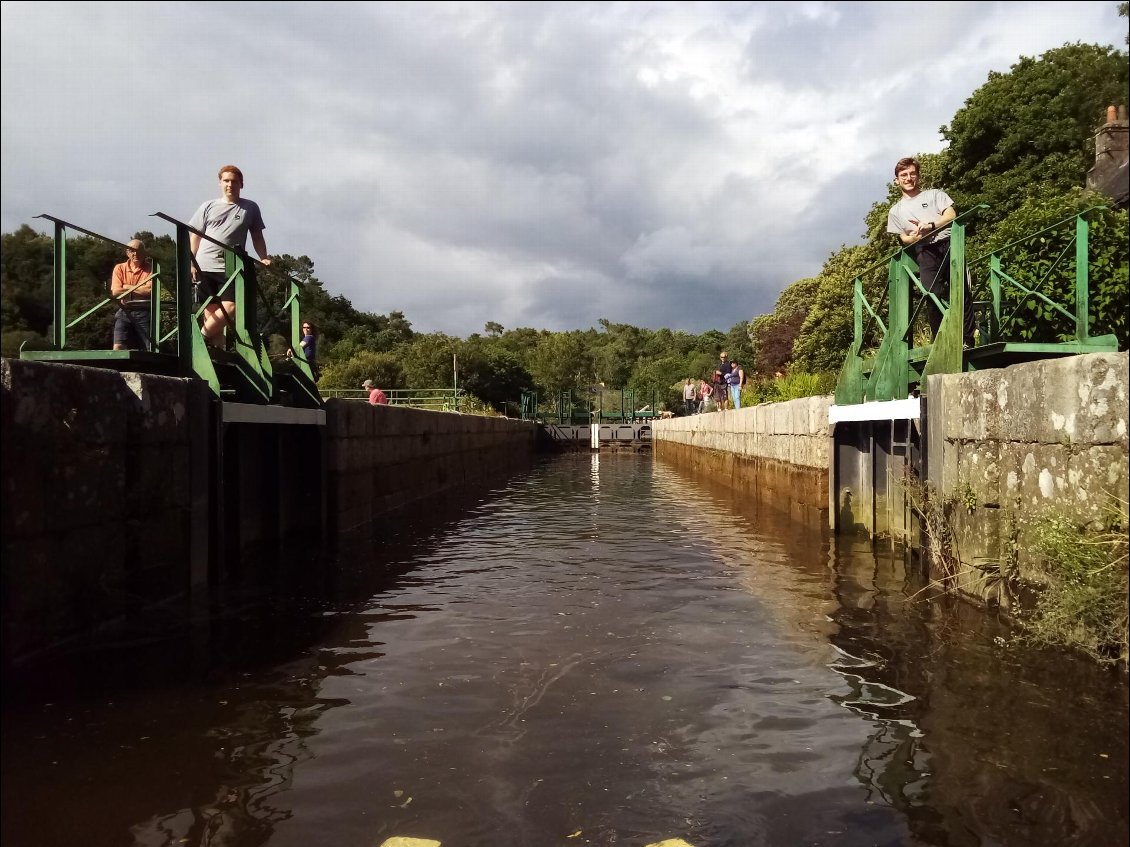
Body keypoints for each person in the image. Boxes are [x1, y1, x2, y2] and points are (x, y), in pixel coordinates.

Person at [886, 157, 975, 347]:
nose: (908, 178)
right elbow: (903, 238)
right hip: (925, 250)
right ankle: (941, 342)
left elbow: (951, 215)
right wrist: (915, 237)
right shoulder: (895, 211)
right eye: (904, 175)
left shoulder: (935, 194)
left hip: (950, 242)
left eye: (912, 174)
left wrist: (931, 225)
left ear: (918, 176)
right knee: (931, 293)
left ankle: (967, 340)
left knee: (961, 290)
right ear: (897, 180)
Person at [189, 165, 271, 348]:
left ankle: (196, 340)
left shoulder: (250, 207)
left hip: (231, 267)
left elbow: (257, 235)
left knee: (230, 308)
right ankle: (219, 358)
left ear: (241, 184)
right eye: (226, 180)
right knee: (212, 315)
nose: (230, 184)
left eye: (234, 181)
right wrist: (191, 262)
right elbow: (195, 236)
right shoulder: (208, 206)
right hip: (205, 264)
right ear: (220, 183)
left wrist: (264, 257)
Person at [110, 238, 153, 350]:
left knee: (149, 348)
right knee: (118, 346)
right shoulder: (119, 268)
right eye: (132, 251)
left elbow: (149, 291)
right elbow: (115, 291)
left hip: (144, 311)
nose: (136, 254)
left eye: (139, 251)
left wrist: (127, 287)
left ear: (144, 253)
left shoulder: (151, 268)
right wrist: (139, 290)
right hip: (124, 309)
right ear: (127, 253)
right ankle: (119, 368)